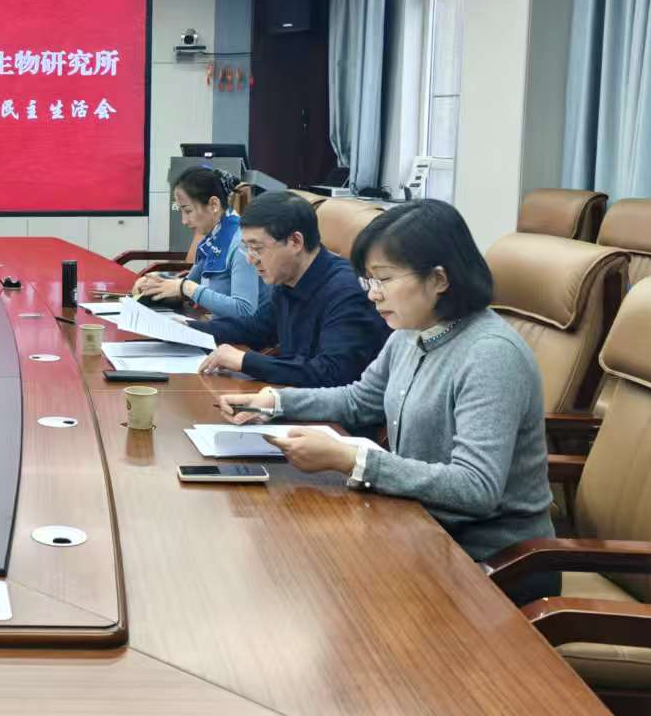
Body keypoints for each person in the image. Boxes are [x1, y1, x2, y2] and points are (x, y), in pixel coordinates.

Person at [219, 200, 556, 602]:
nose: (373, 295)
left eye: (384, 279)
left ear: (439, 279)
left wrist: (353, 460)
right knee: (286, 561)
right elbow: (360, 400)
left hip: (492, 564)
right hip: (417, 528)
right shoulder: (409, 334)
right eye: (369, 281)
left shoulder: (491, 354)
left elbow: (475, 487)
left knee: (313, 585)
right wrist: (275, 402)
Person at [198, 191, 389, 386]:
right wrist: (189, 329)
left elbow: (332, 372)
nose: (250, 259)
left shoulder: (347, 292)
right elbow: (256, 328)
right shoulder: (288, 278)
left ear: (296, 242)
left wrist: (245, 361)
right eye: (247, 248)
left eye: (257, 248)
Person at [132, 168, 260, 319]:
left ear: (214, 204)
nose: (184, 221)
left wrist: (185, 287)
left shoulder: (241, 243)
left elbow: (244, 309)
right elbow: (187, 285)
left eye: (188, 211)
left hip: (245, 332)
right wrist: (155, 282)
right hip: (218, 325)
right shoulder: (214, 237)